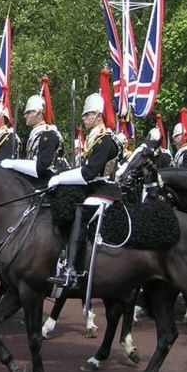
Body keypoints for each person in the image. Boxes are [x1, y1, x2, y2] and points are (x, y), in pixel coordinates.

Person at [45, 92, 120, 288]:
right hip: (93, 187)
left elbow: (88, 173)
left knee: (80, 211)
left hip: (104, 190)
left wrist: (60, 178)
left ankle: (72, 270)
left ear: (97, 115)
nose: (84, 119)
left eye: (87, 115)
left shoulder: (105, 140)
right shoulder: (95, 139)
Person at [0, 94, 65, 184]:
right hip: (33, 182)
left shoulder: (48, 135)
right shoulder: (36, 134)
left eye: (29, 112)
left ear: (39, 113)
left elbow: (41, 167)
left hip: (46, 184)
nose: (25, 116)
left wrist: (14, 164)